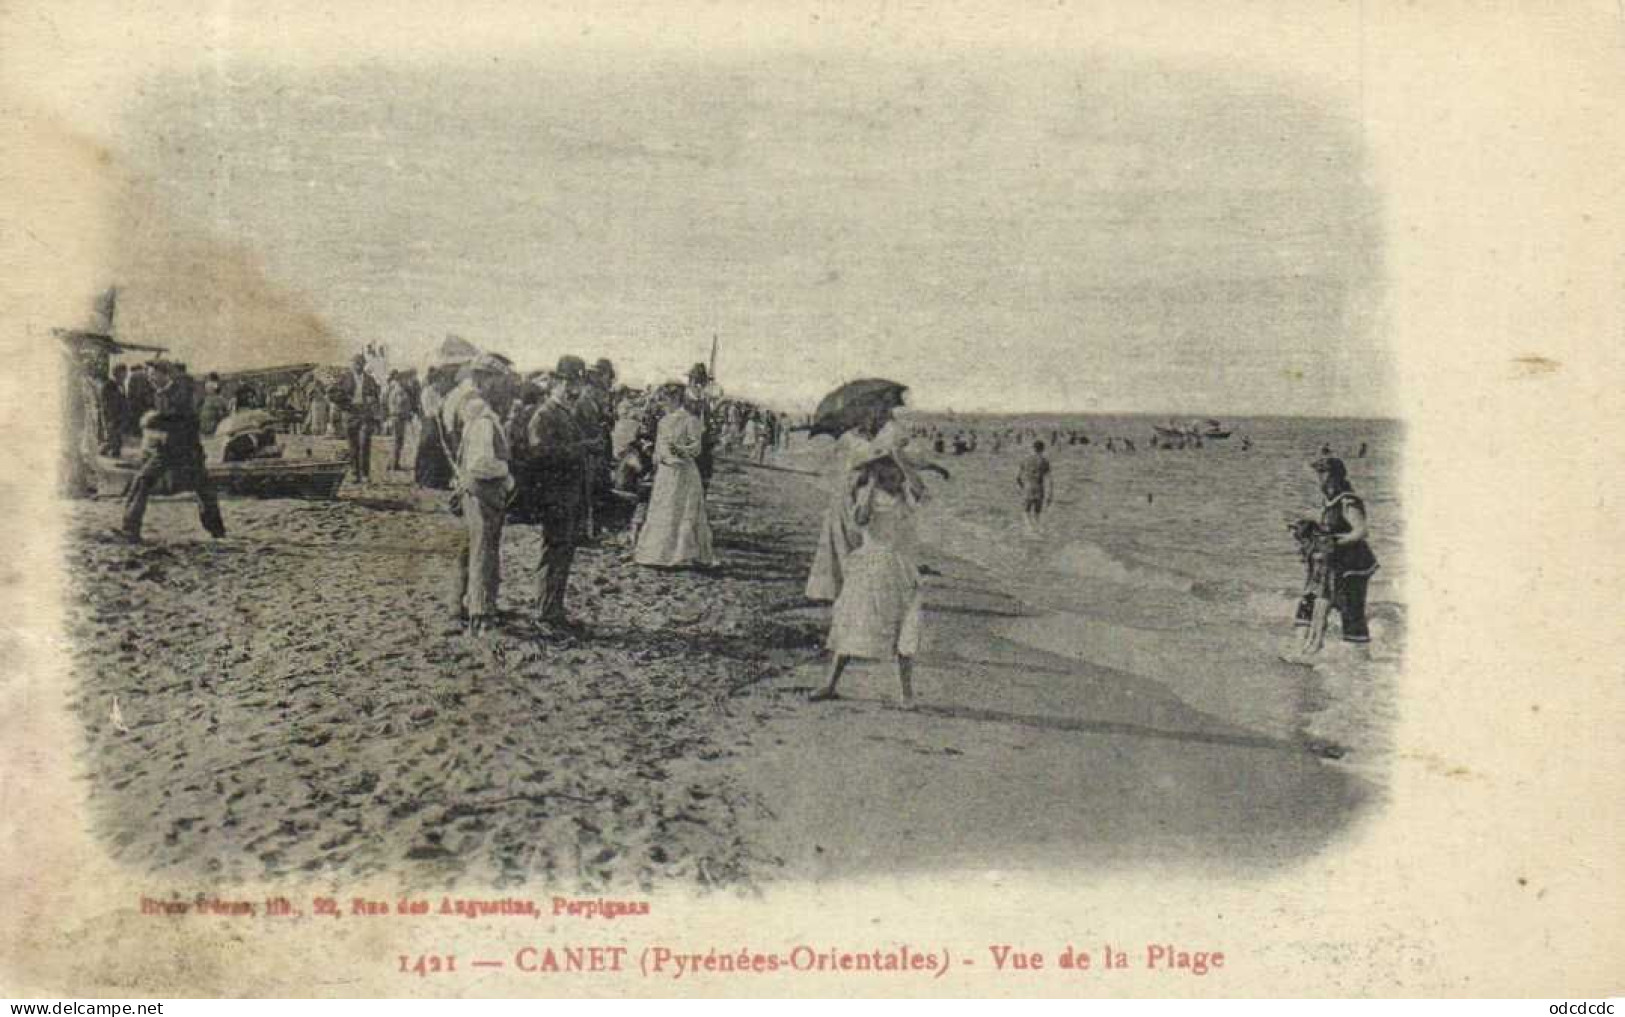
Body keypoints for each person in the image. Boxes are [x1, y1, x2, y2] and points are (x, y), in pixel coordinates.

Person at [810, 451, 923, 707]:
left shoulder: (905, 497)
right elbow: (860, 520)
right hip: (870, 566)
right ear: (880, 476)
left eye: (897, 474)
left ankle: (907, 695)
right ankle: (830, 684)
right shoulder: (869, 495)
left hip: (899, 566)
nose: (895, 479)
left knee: (904, 629)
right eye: (889, 474)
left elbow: (919, 488)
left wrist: (901, 459)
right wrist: (871, 484)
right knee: (853, 624)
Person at [120, 361, 226, 542]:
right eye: (148, 375)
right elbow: (164, 423)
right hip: (166, 451)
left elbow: (181, 417)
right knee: (142, 480)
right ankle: (130, 530)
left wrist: (155, 419)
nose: (150, 378)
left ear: (165, 374)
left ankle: (217, 532)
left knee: (203, 490)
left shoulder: (182, 390)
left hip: (188, 451)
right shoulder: (158, 395)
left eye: (153, 374)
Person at [1287, 457, 1380, 661]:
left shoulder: (1348, 500)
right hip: (1335, 562)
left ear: (1336, 476)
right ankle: (1308, 646)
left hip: (1354, 563)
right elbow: (1332, 526)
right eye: (1318, 474)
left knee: (1351, 607)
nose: (1321, 479)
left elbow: (1361, 531)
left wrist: (1335, 542)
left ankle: (1360, 659)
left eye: (1324, 474)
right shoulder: (1330, 501)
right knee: (1316, 600)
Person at [449, 356, 515, 635]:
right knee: (484, 552)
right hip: (483, 491)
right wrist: (507, 471)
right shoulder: (483, 418)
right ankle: (481, 613)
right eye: (500, 381)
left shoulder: (474, 412)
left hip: (472, 491)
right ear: (485, 381)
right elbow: (480, 463)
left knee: (472, 550)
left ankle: (460, 605)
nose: (503, 387)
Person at [525, 356, 591, 630]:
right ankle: (544, 614)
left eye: (576, 382)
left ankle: (554, 611)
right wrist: (579, 448)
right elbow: (538, 453)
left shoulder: (565, 412)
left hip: (569, 494)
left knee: (564, 554)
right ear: (557, 382)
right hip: (555, 496)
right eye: (568, 382)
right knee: (553, 554)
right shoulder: (545, 414)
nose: (573, 388)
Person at [634, 383, 716, 569]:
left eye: (666, 400)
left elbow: (696, 449)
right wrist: (656, 456)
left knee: (681, 511)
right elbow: (658, 448)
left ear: (676, 399)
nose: (663, 404)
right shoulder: (664, 421)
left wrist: (678, 450)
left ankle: (680, 555)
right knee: (663, 510)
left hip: (683, 472)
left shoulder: (690, 420)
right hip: (665, 472)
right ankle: (657, 554)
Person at [332, 353, 381, 483]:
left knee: (365, 443)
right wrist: (345, 402)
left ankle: (365, 474)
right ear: (352, 364)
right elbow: (332, 393)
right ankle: (355, 473)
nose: (358, 366)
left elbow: (377, 394)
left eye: (360, 363)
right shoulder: (344, 378)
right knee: (352, 445)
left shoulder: (370, 379)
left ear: (364, 365)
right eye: (356, 363)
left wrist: (373, 400)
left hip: (365, 413)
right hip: (350, 414)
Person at [1017, 440, 1053, 530]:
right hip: (1040, 488)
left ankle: (1030, 528)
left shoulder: (1025, 459)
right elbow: (1049, 479)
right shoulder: (1045, 461)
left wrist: (1023, 487)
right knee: (1037, 513)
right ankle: (1038, 528)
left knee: (1026, 511)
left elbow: (1017, 477)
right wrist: (1050, 495)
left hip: (1028, 487)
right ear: (1043, 449)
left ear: (1033, 448)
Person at [385, 370, 416, 471]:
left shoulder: (401, 390)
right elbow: (396, 407)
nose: (407, 381)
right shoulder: (398, 391)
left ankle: (393, 463)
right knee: (397, 441)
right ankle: (393, 464)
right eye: (405, 379)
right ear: (400, 380)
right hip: (397, 419)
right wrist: (406, 413)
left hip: (400, 419)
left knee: (399, 441)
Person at [98, 364, 128, 455]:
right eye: (123, 373)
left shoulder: (121, 385)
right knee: (111, 434)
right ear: (117, 373)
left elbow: (123, 399)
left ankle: (115, 450)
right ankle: (103, 450)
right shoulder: (108, 385)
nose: (125, 375)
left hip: (120, 414)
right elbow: (106, 402)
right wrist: (110, 416)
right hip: (111, 414)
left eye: (125, 373)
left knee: (117, 434)